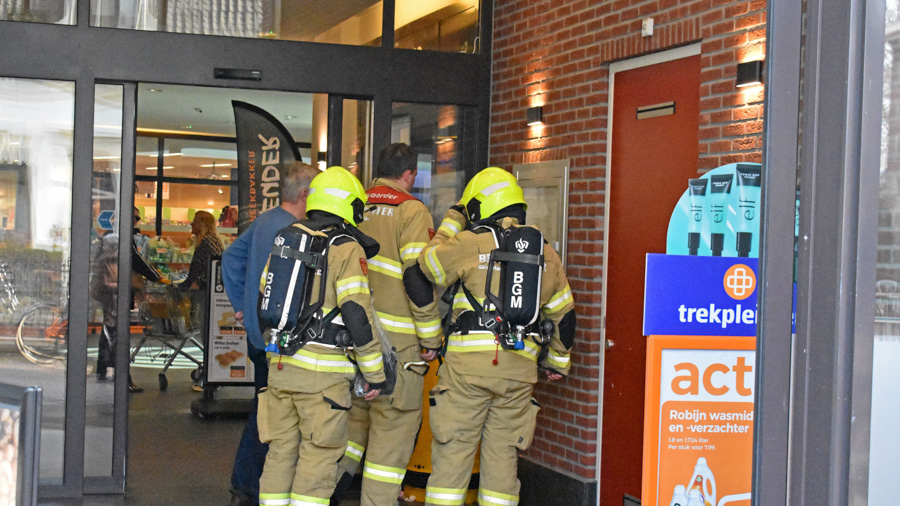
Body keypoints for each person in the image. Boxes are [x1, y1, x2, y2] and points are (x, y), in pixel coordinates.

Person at [403, 167, 577, 506]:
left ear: (481, 207)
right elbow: (565, 315)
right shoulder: (545, 252)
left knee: (453, 461)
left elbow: (423, 268)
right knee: (502, 465)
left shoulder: (472, 242)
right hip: (518, 375)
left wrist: (453, 221)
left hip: (467, 374)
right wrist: (558, 362)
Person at [257, 166, 386, 506]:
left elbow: (264, 299)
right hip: (323, 381)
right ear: (349, 206)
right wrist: (375, 374)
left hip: (281, 368)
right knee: (317, 460)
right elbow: (357, 315)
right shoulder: (346, 247)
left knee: (280, 454)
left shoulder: (287, 238)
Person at [333, 143, 443, 506]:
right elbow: (416, 278)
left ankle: (323, 493)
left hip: (352, 344)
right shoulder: (412, 210)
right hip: (400, 351)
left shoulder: (354, 205)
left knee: (347, 433)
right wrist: (431, 338)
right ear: (409, 174)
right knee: (389, 445)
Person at [222, 161, 319, 506]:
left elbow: (231, 258)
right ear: (306, 194)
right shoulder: (296, 230)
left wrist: (242, 305)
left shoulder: (264, 221)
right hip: (276, 340)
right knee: (268, 416)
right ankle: (246, 485)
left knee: (264, 409)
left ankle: (246, 486)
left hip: (257, 336)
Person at [91, 210, 169, 393]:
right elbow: (137, 261)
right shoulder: (122, 238)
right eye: (134, 218)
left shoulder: (107, 239)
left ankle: (102, 370)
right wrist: (157, 277)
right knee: (120, 335)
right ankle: (124, 377)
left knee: (109, 329)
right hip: (117, 292)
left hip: (107, 291)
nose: (137, 221)